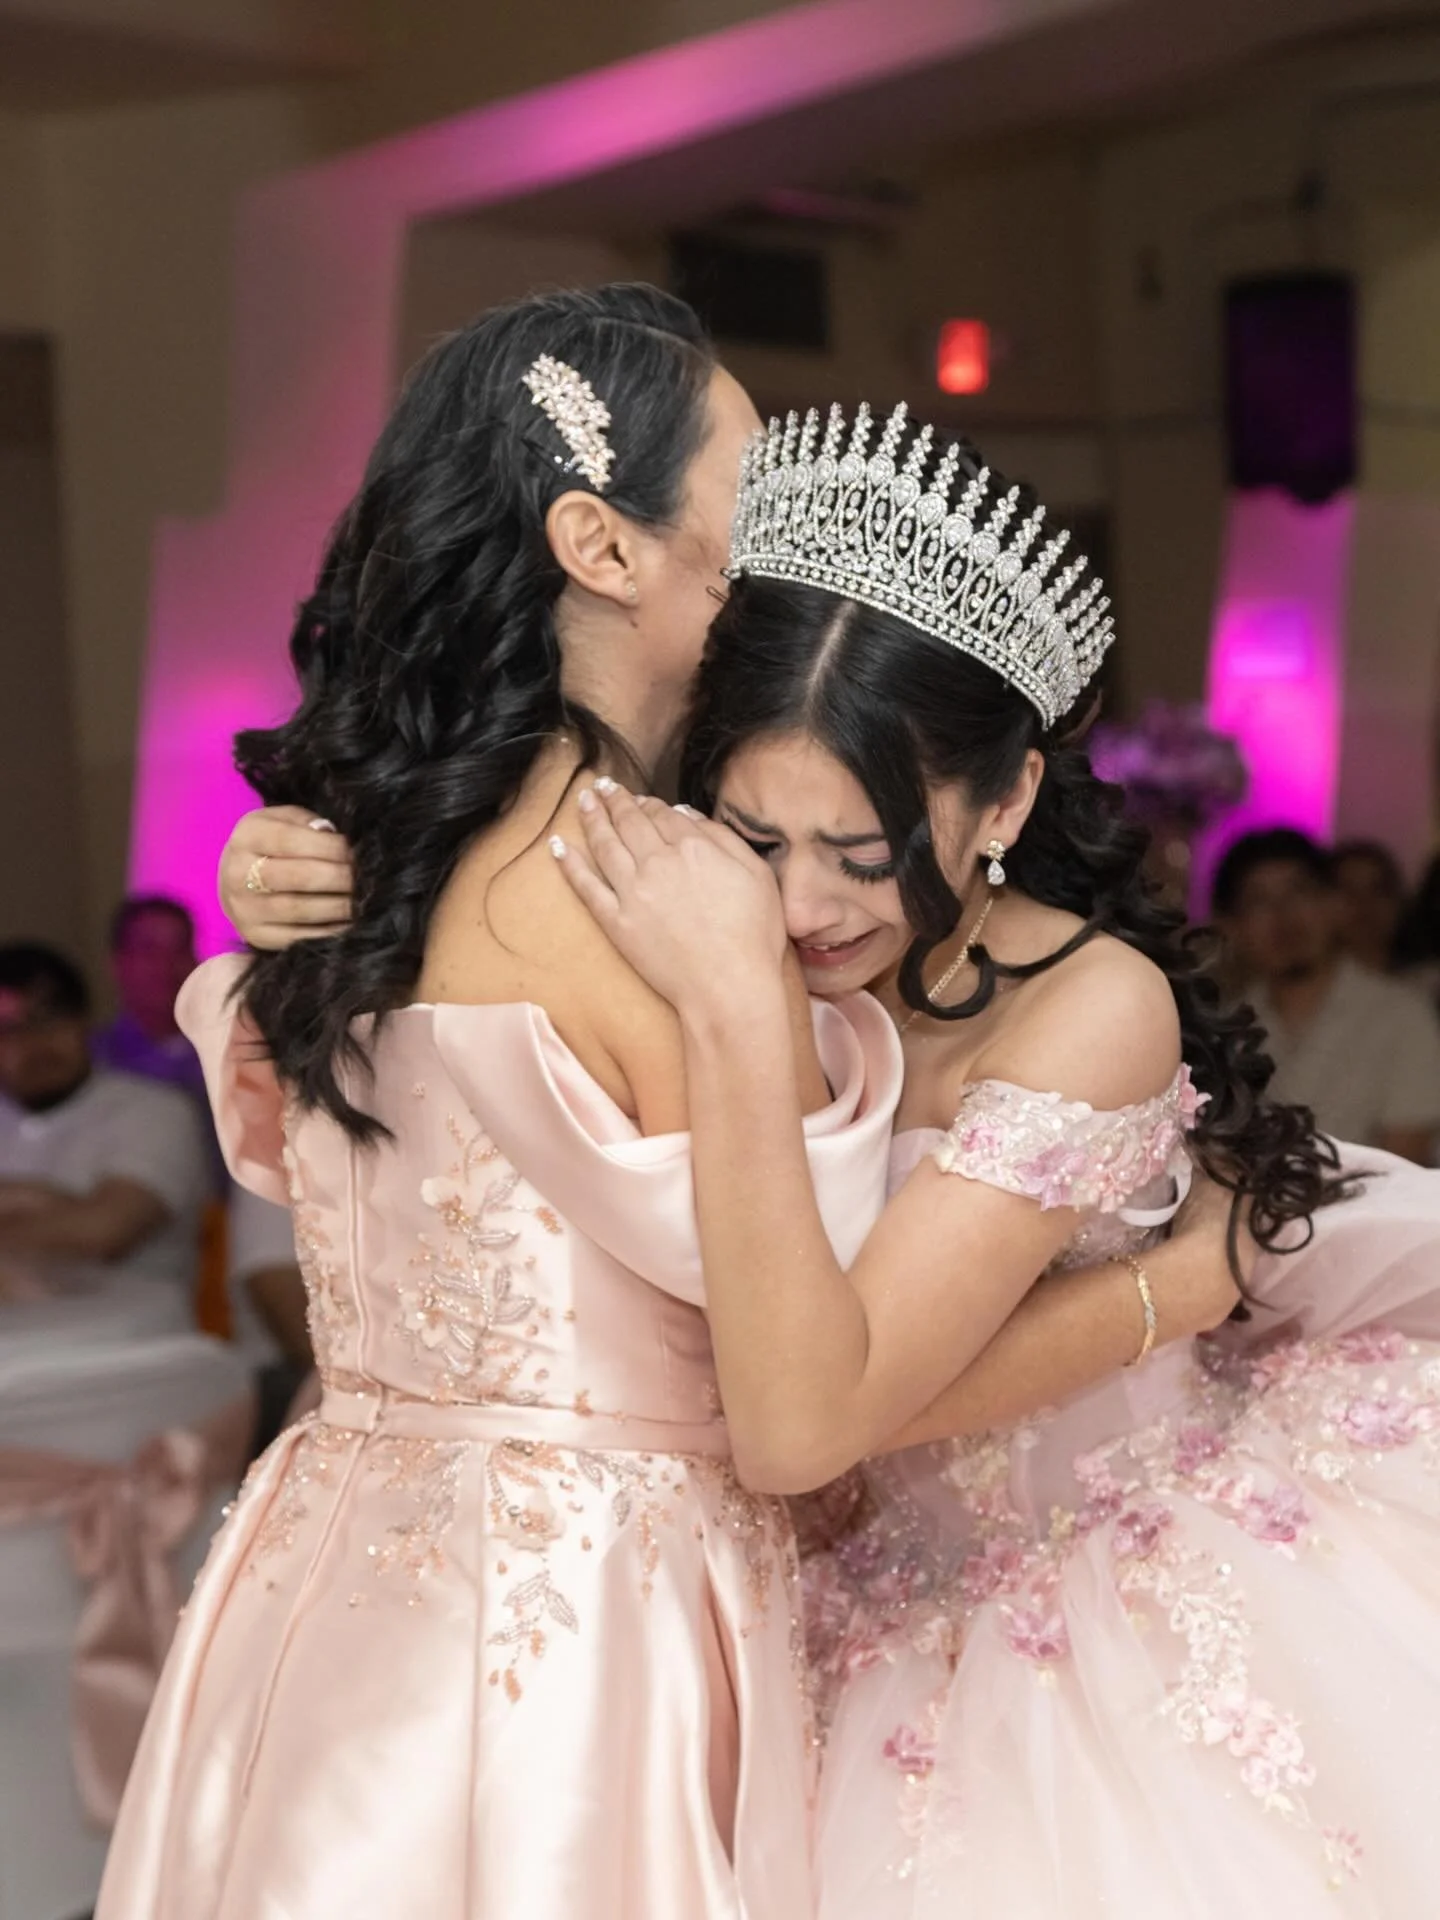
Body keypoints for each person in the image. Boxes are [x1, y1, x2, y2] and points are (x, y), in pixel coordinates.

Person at [126, 300, 1241, 1920]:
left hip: (325, 1572)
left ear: (1002, 804)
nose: (762, 526)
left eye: (859, 855)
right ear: (601, 540)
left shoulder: (387, 852)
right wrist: (1170, 1285)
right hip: (582, 1618)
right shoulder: (670, 927)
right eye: (739, 479)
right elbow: (806, 1401)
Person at [552, 403, 1440, 1916]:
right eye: (757, 840)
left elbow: (819, 1413)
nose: (809, 908)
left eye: (869, 848)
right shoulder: (712, 941)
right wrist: (283, 885)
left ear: (1009, 799)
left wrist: (1183, 1295)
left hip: (1120, 1606)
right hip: (836, 1622)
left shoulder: (1095, 1004)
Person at [0, 941, 210, 1316]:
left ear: (85, 1021)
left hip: (126, 1347)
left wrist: (65, 1213)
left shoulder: (154, 1111)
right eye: (10, 1028)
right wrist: (51, 1203)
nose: (35, 1043)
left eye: (51, 1018)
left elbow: (100, 1233)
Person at [1214, 827, 1440, 1161]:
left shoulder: (1401, 1016)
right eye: (1259, 900)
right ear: (1232, 926)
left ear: (1332, 905)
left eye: (1298, 892)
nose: (1283, 917)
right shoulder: (1226, 1029)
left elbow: (1406, 1165)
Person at [95, 894, 226, 1191]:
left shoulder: (234, 1056)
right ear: (117, 964)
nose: (166, 964)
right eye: (149, 949)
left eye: (180, 948)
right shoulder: (93, 1062)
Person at [1332, 837, 1407, 974]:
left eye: (1378, 890)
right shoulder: (1300, 991)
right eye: (1350, 891)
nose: (1364, 904)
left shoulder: (1425, 985)